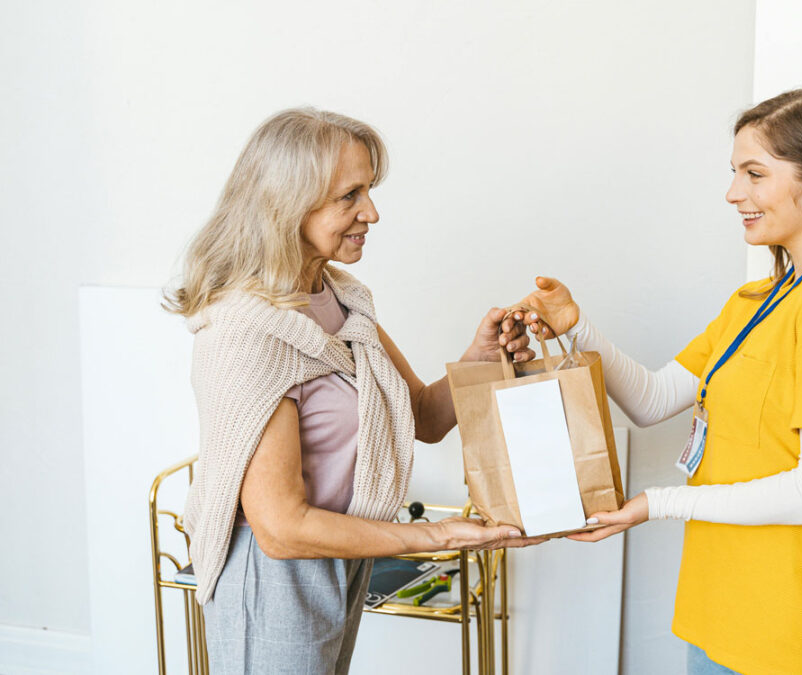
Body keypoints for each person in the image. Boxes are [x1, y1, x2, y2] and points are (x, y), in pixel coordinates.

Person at [512, 88, 802, 675]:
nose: (734, 194)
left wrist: (657, 503)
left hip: (785, 632)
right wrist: (577, 328)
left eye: (754, 174)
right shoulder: (758, 298)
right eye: (734, 173)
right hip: (716, 611)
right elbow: (653, 399)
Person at [164, 108, 540, 674]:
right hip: (273, 575)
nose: (372, 212)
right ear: (287, 204)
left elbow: (420, 416)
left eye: (369, 190)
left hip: (340, 552)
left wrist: (480, 362)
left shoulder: (343, 298)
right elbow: (283, 528)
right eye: (350, 196)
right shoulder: (245, 331)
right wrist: (431, 535)